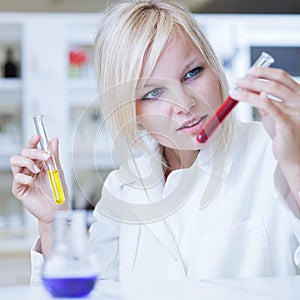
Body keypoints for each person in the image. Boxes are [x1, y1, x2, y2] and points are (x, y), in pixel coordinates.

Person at [10, 0, 300, 283]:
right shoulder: (122, 188)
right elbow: (90, 292)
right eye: (153, 93)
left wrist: (296, 161)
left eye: (192, 73)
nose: (185, 103)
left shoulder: (275, 153)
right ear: (130, 112)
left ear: (213, 66)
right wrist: (52, 223)